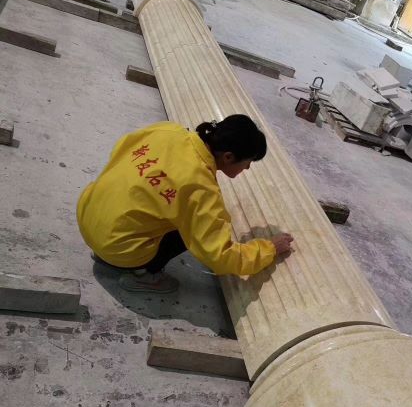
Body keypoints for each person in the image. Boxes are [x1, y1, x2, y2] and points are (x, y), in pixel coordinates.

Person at [77, 115, 294, 293]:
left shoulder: (169, 130)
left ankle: (108, 247)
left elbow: (119, 150)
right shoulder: (201, 188)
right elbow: (219, 255)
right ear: (228, 157)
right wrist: (269, 249)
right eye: (248, 162)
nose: (247, 168)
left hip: (87, 215)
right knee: (190, 229)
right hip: (117, 249)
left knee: (158, 200)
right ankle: (143, 275)